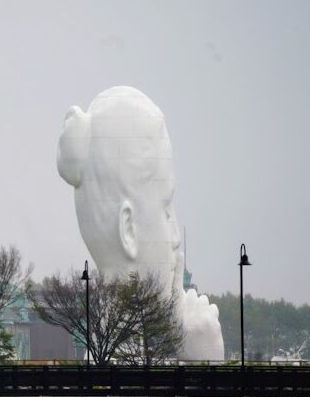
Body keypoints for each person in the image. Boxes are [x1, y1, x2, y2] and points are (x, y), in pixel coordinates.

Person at [57, 86, 223, 361]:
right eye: (166, 211)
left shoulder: (104, 359)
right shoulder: (125, 371)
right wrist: (208, 358)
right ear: (129, 230)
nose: (175, 237)